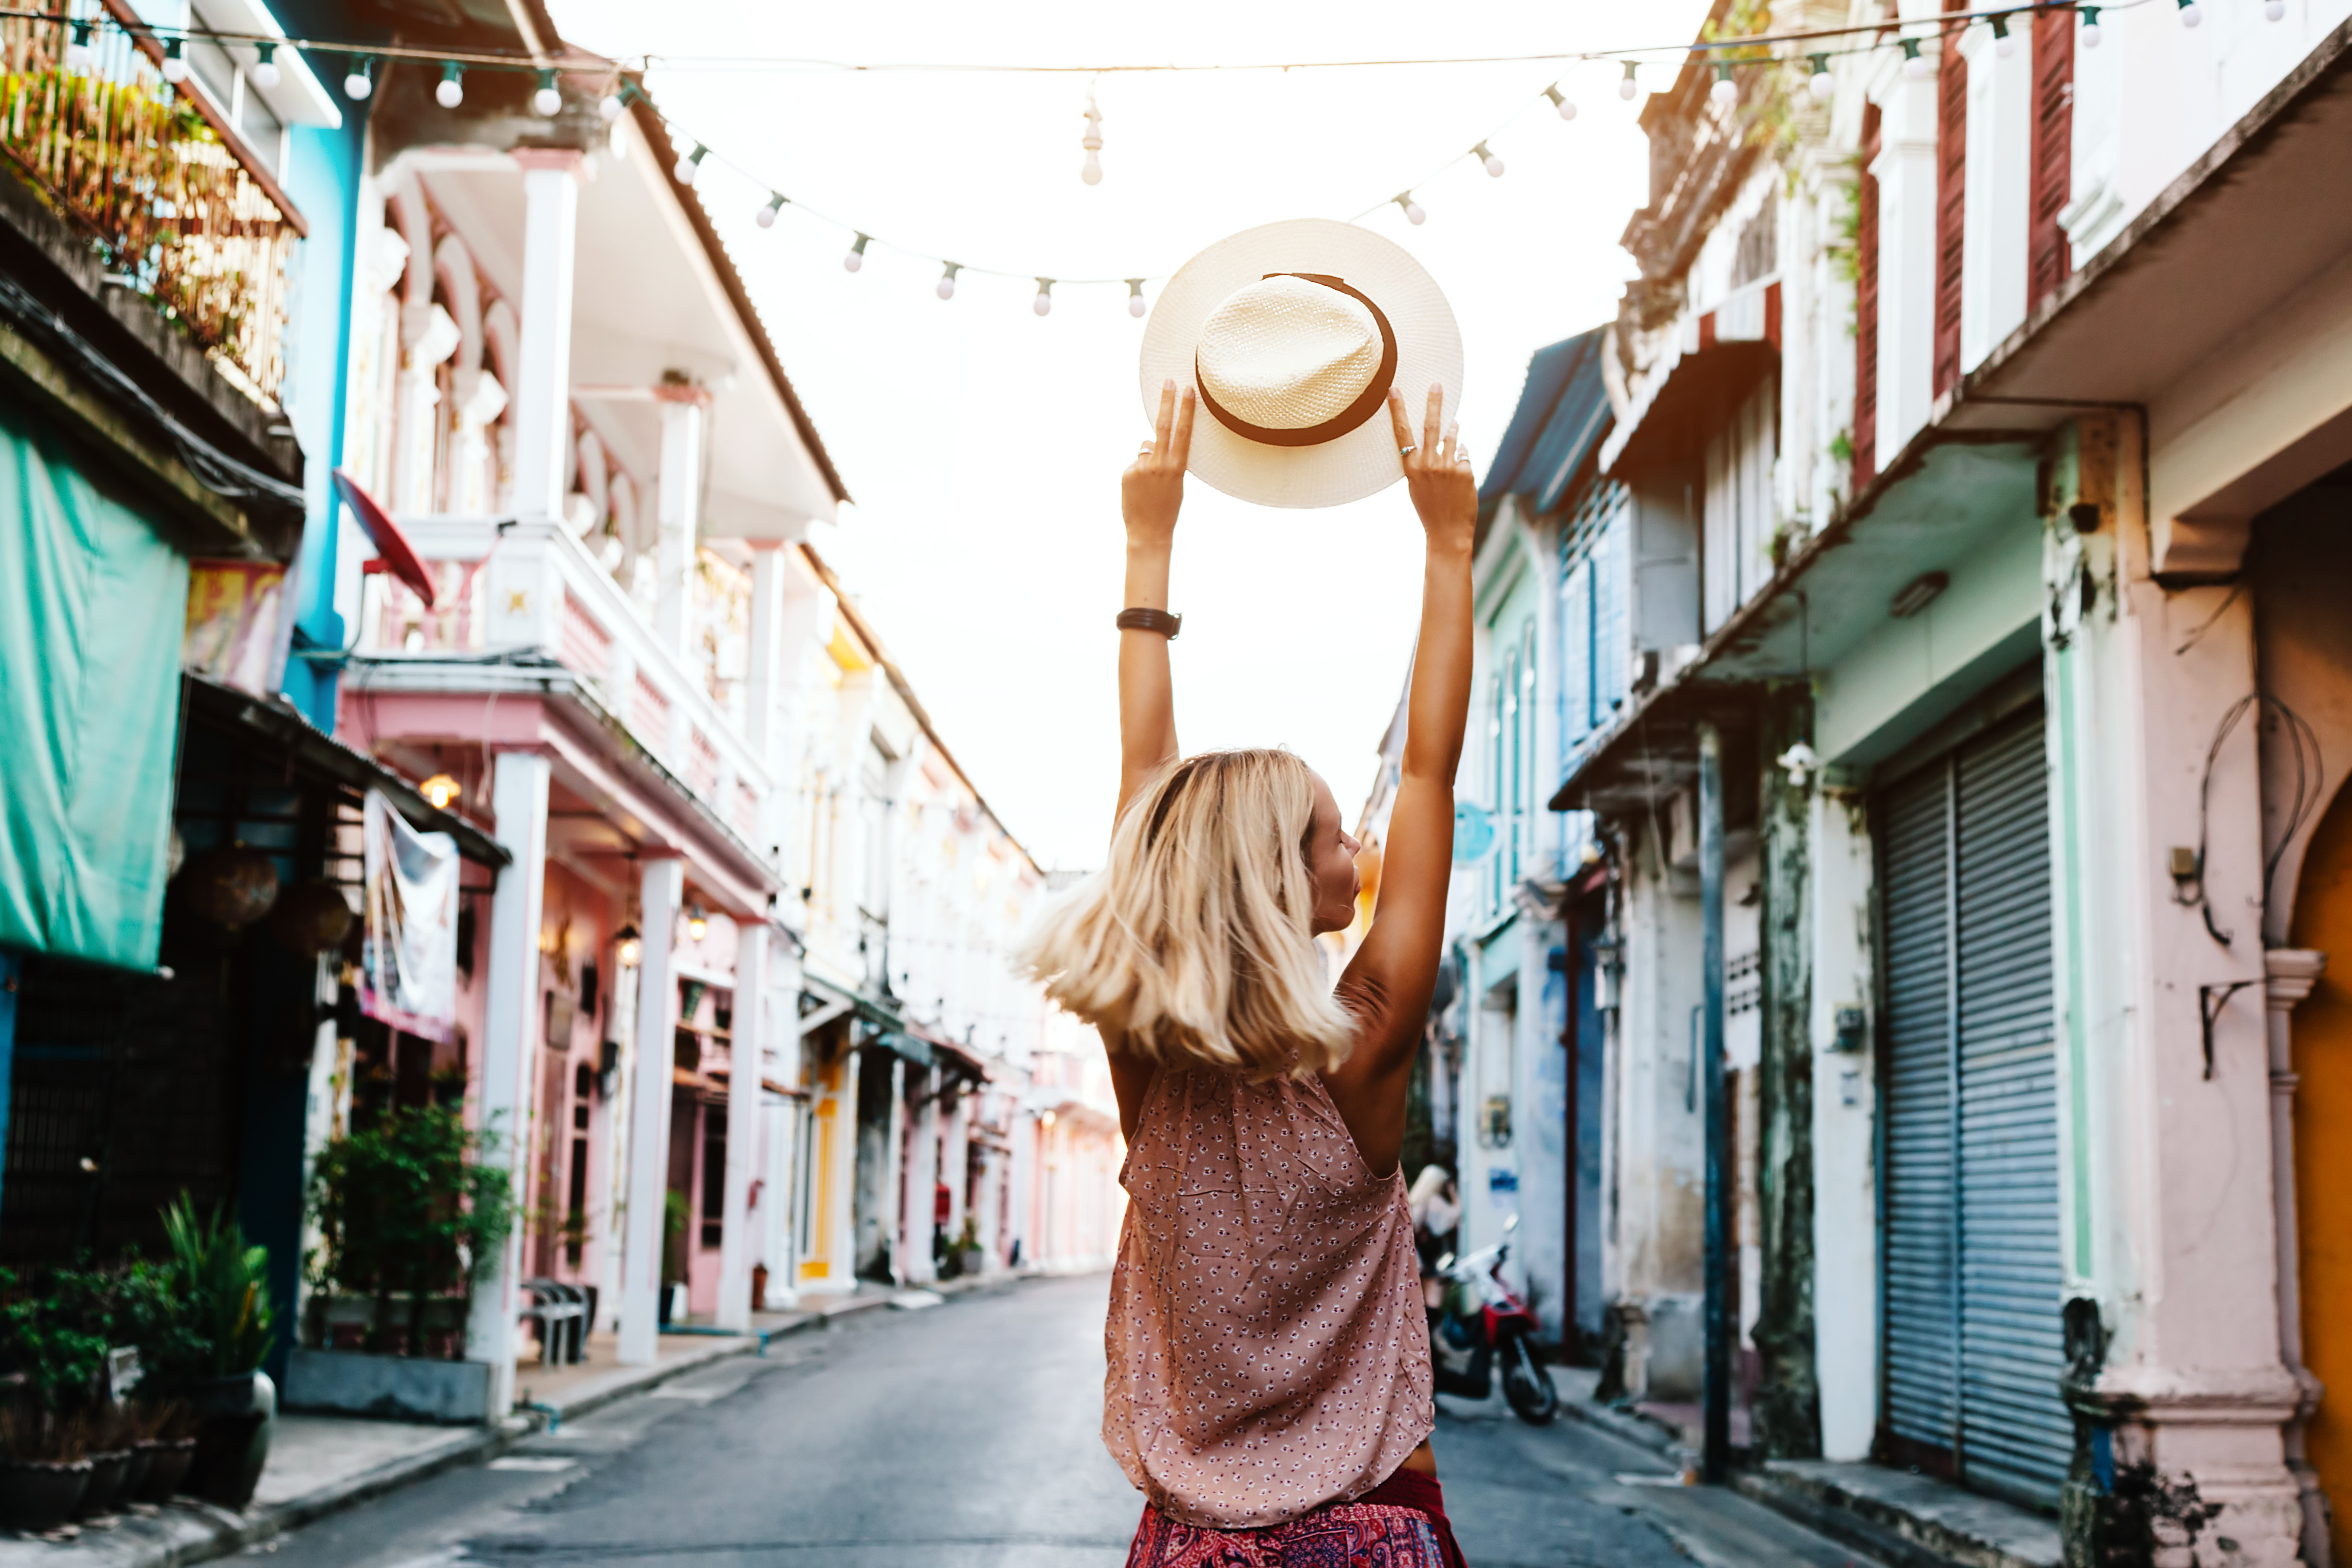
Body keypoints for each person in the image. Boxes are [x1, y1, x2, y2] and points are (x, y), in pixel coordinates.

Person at [1021, 376, 1476, 1567]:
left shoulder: (1150, 1065)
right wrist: (1450, 543)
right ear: (1282, 879)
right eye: (1334, 833)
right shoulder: (1365, 1040)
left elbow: (1145, 782)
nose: (1358, 846)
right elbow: (1429, 771)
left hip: (1196, 1548)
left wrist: (1149, 542)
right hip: (1375, 1535)